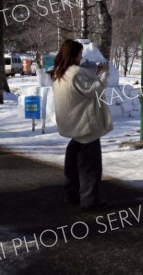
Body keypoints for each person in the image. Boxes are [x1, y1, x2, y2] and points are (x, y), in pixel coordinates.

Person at [51, 39, 113, 211]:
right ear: (73, 55)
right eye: (79, 53)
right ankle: (90, 201)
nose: (81, 57)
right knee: (90, 167)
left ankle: (72, 195)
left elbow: (81, 85)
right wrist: (103, 74)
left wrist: (95, 71)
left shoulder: (60, 72)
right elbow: (94, 90)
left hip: (74, 125)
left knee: (73, 163)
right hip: (86, 125)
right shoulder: (76, 73)